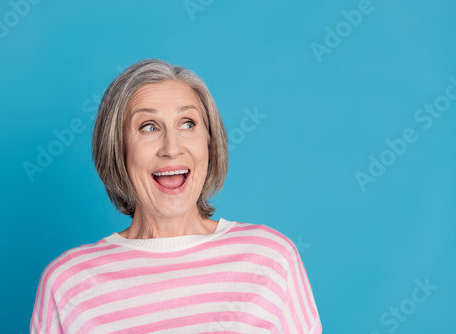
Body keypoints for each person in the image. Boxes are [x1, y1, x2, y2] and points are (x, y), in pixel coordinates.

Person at [30, 59, 322, 333]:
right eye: (149, 127)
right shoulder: (68, 283)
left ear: (209, 143)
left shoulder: (271, 259)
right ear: (117, 149)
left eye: (188, 124)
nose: (172, 147)